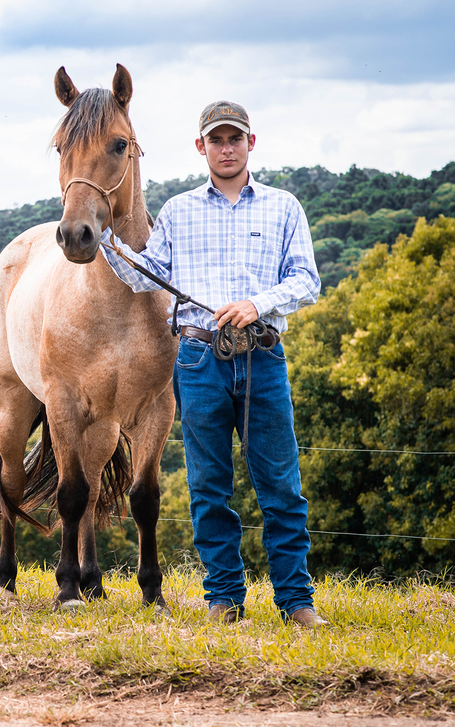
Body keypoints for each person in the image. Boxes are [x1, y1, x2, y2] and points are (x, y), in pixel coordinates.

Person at [100, 100, 327, 628]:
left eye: (235, 139)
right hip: (199, 359)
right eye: (216, 140)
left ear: (251, 143)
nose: (227, 148)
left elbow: (307, 280)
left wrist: (258, 304)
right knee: (208, 487)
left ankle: (297, 602)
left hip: (263, 354)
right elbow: (146, 277)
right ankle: (224, 599)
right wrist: (108, 242)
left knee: (281, 486)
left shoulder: (284, 206)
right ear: (201, 147)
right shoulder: (178, 211)